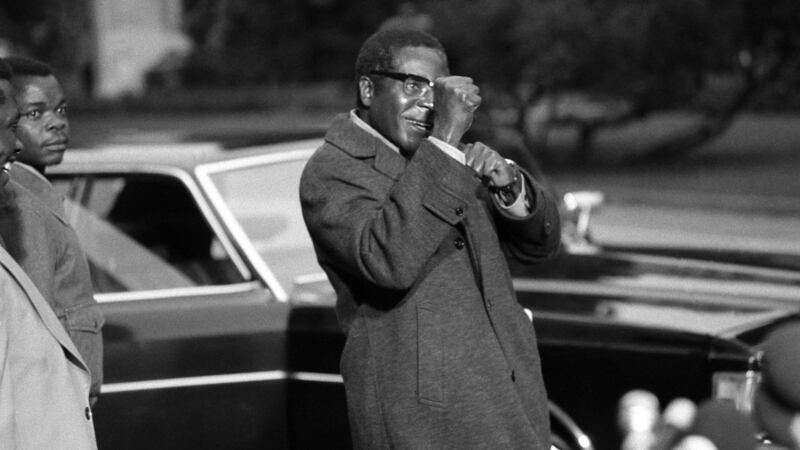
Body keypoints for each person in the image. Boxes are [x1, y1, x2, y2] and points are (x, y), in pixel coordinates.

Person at [299, 28, 560, 448]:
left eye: (436, 91)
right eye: (413, 86)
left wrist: (509, 186)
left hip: (507, 405)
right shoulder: (333, 170)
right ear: (368, 88)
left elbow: (539, 246)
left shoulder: (442, 156)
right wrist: (445, 142)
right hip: (424, 424)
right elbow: (387, 260)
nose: (428, 105)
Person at [0, 58, 97, 449]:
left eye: (61, 110)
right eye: (34, 113)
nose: (55, 123)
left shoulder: (40, 198)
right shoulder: (21, 208)